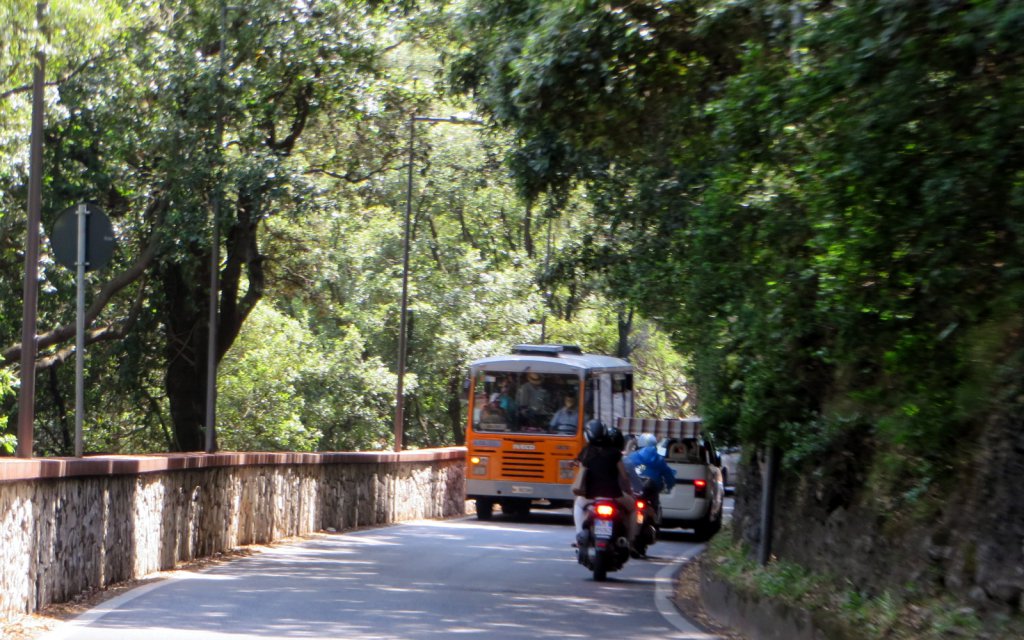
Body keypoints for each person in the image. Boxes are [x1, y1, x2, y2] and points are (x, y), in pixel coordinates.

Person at [572, 420, 634, 541]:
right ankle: (631, 540)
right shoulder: (615, 453)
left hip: (591, 495)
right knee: (633, 509)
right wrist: (629, 490)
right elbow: (624, 477)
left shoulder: (586, 453)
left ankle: (579, 536)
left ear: (587, 436)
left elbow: (581, 475)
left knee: (578, 505)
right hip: (614, 495)